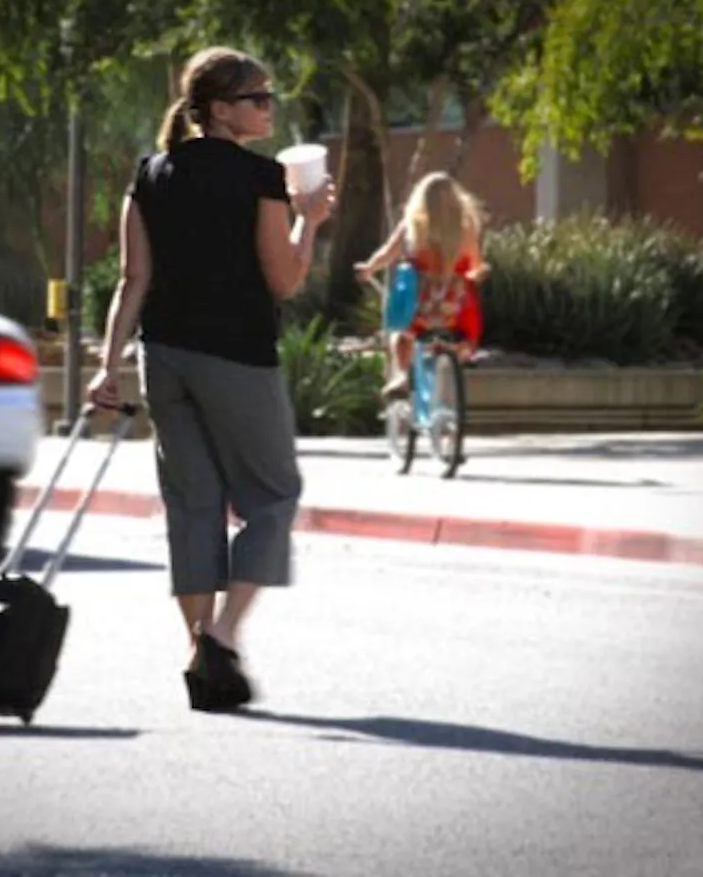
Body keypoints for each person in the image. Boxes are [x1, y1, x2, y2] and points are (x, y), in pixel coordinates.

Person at [87, 45, 337, 713]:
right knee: (274, 495)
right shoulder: (258, 179)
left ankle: (202, 659)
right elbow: (283, 280)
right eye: (258, 98)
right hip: (236, 355)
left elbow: (132, 280)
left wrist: (106, 366)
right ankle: (221, 638)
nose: (268, 108)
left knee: (193, 506)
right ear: (221, 109)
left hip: (162, 356)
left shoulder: (150, 174)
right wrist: (310, 219)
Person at [355, 171, 489, 398]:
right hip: (455, 311)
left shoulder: (412, 227)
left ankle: (402, 375)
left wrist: (368, 268)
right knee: (465, 308)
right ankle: (462, 352)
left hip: (421, 308)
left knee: (401, 332)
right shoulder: (466, 230)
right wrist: (475, 273)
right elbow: (475, 265)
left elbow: (387, 254)